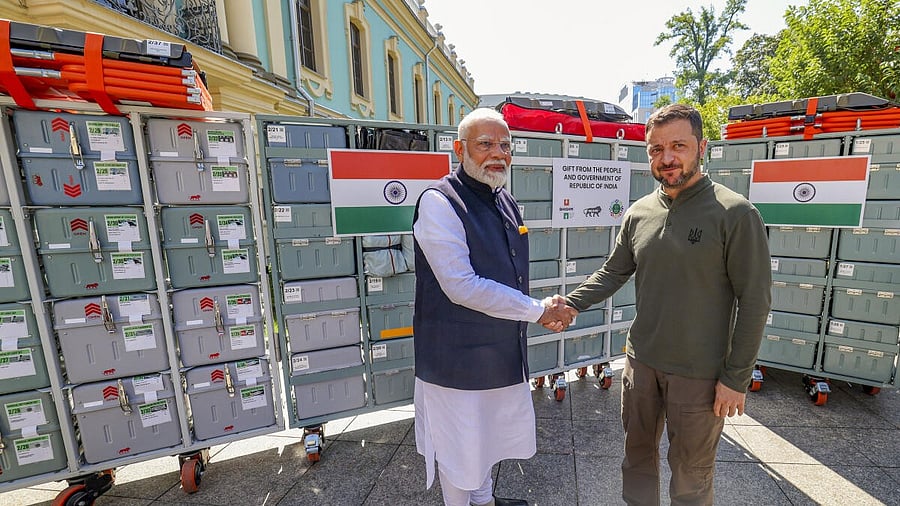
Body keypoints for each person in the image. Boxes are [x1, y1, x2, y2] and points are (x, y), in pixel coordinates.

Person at [560, 104, 772, 505]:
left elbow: (755, 301)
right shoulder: (639, 212)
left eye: (678, 146)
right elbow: (612, 272)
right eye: (656, 149)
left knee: (692, 474)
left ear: (701, 148)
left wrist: (736, 378)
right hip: (641, 364)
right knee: (636, 460)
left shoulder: (736, 213)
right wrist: (569, 304)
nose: (667, 158)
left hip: (700, 375)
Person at [412, 107, 572, 506]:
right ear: (459, 149)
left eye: (505, 145)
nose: (498, 153)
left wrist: (542, 307)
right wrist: (538, 310)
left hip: (499, 352)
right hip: (455, 359)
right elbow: (461, 286)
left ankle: (484, 501)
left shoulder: (504, 199)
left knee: (484, 438)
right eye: (485, 144)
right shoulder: (439, 202)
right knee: (459, 447)